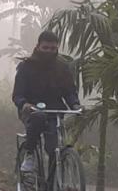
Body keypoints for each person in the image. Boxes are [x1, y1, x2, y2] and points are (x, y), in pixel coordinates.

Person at [11, 31, 81, 173]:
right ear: (38, 46)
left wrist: (75, 105)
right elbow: (17, 95)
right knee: (38, 118)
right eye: (45, 48)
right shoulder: (26, 67)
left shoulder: (62, 68)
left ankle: (52, 186)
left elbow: (69, 91)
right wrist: (24, 104)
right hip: (31, 111)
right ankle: (29, 154)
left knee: (53, 147)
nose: (49, 51)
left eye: (53, 49)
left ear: (57, 49)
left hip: (54, 111)